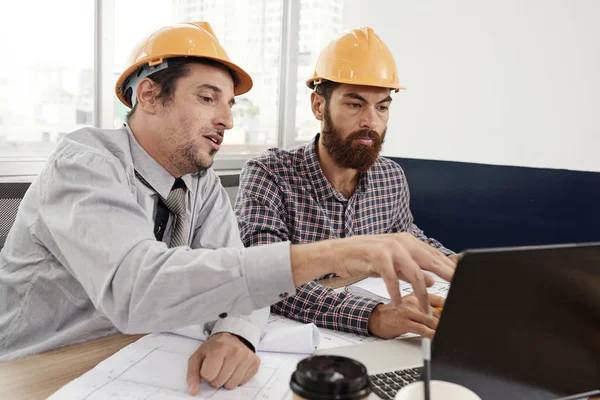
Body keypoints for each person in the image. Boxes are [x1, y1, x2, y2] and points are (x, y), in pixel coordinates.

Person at [0, 22, 455, 394]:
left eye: (230, 103)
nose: (228, 119)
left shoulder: (201, 184)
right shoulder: (87, 163)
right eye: (207, 98)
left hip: (144, 356)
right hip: (36, 369)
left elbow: (242, 277)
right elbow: (135, 288)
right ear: (150, 96)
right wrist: (334, 254)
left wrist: (234, 331)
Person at [235, 27, 457, 342]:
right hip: (294, 347)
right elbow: (264, 278)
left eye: (382, 107)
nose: (371, 121)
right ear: (317, 106)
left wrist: (457, 265)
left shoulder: (390, 177)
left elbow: (410, 240)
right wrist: (374, 316)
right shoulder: (268, 175)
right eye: (355, 104)